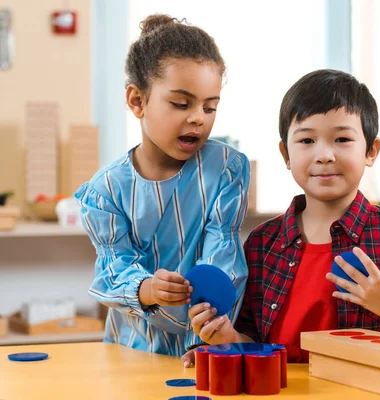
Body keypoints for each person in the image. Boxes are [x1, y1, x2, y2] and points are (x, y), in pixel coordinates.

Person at [182, 69, 380, 366]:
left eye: (341, 139)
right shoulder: (262, 243)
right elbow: (253, 342)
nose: (324, 155)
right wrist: (227, 339)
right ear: (286, 154)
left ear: (371, 151)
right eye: (307, 141)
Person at [75, 14, 249, 359]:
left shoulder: (226, 169)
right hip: (130, 352)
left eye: (210, 106)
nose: (198, 117)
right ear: (137, 101)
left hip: (205, 345)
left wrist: (207, 340)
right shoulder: (104, 191)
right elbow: (114, 269)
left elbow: (222, 259)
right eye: (181, 104)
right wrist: (148, 288)